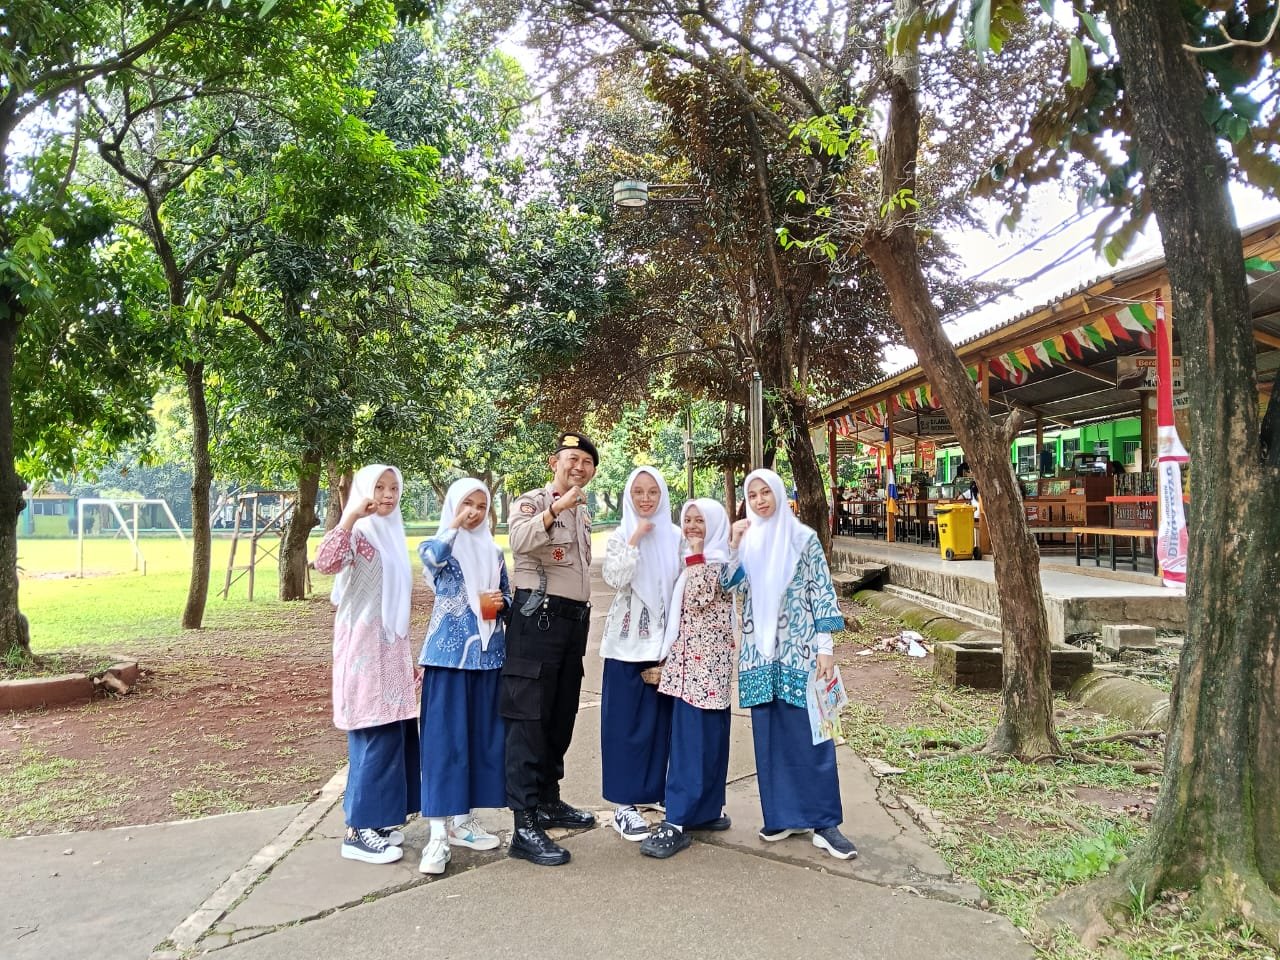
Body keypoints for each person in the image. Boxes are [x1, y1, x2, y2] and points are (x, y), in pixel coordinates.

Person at [728, 468, 858, 861]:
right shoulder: (749, 542)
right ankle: (782, 816)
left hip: (801, 652)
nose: (760, 500)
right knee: (770, 738)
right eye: (753, 495)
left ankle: (825, 823)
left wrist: (826, 648)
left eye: (766, 492)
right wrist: (734, 545)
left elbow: (822, 592)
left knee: (814, 736)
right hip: (759, 656)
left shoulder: (803, 538)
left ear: (780, 494)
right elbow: (729, 585)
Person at [314, 464, 420, 865]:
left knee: (392, 734)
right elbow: (325, 562)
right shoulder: (358, 533)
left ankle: (379, 822)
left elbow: (396, 605)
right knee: (371, 735)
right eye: (379, 487)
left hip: (390, 650)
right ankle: (357, 831)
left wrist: (407, 660)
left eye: (394, 487)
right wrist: (350, 516)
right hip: (362, 650)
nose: (388, 495)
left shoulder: (392, 535)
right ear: (363, 490)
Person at [502, 431, 599, 866]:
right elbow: (520, 541)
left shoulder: (583, 513)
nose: (579, 467)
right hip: (537, 620)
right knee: (528, 720)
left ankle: (548, 800)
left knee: (560, 716)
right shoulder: (533, 502)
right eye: (571, 459)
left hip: (571, 625)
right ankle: (524, 824)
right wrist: (556, 508)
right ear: (554, 462)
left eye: (587, 462)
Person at [416, 478, 510, 875]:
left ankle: (463, 822)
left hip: (488, 658)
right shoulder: (440, 545)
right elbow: (432, 560)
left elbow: (505, 596)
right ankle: (437, 835)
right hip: (448, 661)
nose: (474, 512)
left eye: (481, 506)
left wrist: (502, 603)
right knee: (444, 745)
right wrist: (453, 525)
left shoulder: (493, 551)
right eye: (466, 504)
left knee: (478, 742)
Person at [640, 498, 736, 859]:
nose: (693, 526)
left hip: (703, 669)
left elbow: (697, 598)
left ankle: (677, 821)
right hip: (698, 668)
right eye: (688, 520)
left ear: (716, 525)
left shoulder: (717, 563)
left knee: (691, 743)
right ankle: (707, 810)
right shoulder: (704, 560)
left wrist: (695, 554)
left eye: (700, 520)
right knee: (705, 739)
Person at [600, 466, 680, 842]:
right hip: (626, 645)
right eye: (638, 492)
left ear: (662, 495)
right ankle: (624, 805)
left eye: (652, 492)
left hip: (666, 645)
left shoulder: (675, 536)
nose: (646, 499)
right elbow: (615, 578)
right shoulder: (621, 535)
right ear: (628, 497)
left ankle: (656, 792)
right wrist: (635, 538)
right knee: (623, 726)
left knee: (661, 725)